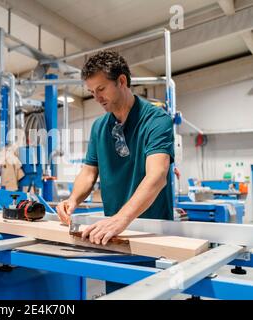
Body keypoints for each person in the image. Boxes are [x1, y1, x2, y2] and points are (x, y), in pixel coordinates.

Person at [56, 50, 174, 245]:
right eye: (92, 92)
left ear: (121, 81)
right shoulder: (99, 127)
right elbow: (88, 172)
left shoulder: (156, 120)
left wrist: (121, 218)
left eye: (101, 89)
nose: (97, 97)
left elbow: (157, 176)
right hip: (111, 232)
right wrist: (73, 200)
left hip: (152, 233)